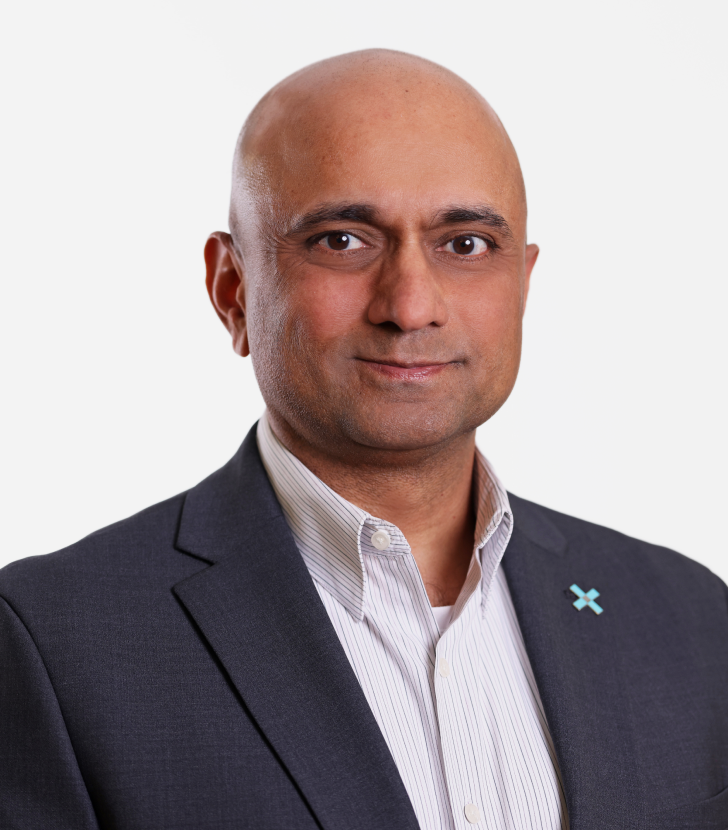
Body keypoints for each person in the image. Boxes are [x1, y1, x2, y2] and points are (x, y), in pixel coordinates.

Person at [1, 49, 726, 830]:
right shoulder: (53, 646)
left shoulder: (690, 618)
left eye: (467, 244)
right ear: (232, 290)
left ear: (523, 281)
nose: (411, 306)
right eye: (343, 240)